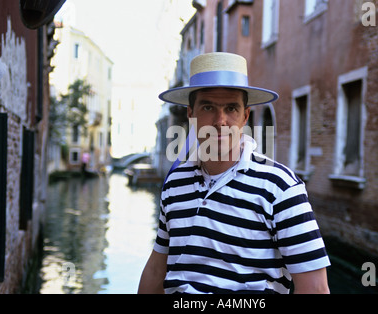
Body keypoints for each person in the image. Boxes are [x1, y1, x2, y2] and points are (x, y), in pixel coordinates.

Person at [138, 52, 330, 294]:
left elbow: (315, 289)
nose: (220, 121)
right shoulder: (175, 184)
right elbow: (157, 269)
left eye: (231, 108)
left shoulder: (280, 188)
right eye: (208, 107)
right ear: (191, 113)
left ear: (245, 116)